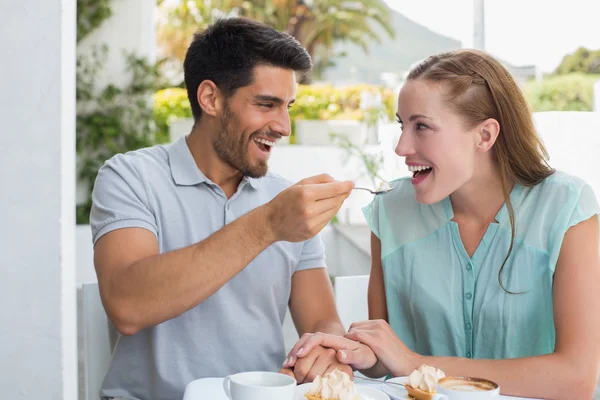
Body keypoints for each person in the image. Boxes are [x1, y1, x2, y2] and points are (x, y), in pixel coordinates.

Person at [284, 49, 600, 399]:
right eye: (402, 125)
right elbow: (390, 359)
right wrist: (356, 352)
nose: (402, 147)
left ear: (484, 136)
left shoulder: (566, 208)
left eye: (422, 127)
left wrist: (416, 363)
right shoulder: (391, 210)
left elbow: (576, 378)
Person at [90, 17, 354, 400]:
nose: (284, 126)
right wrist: (267, 225)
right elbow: (127, 305)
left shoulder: (284, 200)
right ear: (210, 98)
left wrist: (330, 352)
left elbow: (322, 321)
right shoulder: (131, 177)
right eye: (266, 104)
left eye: (288, 107)